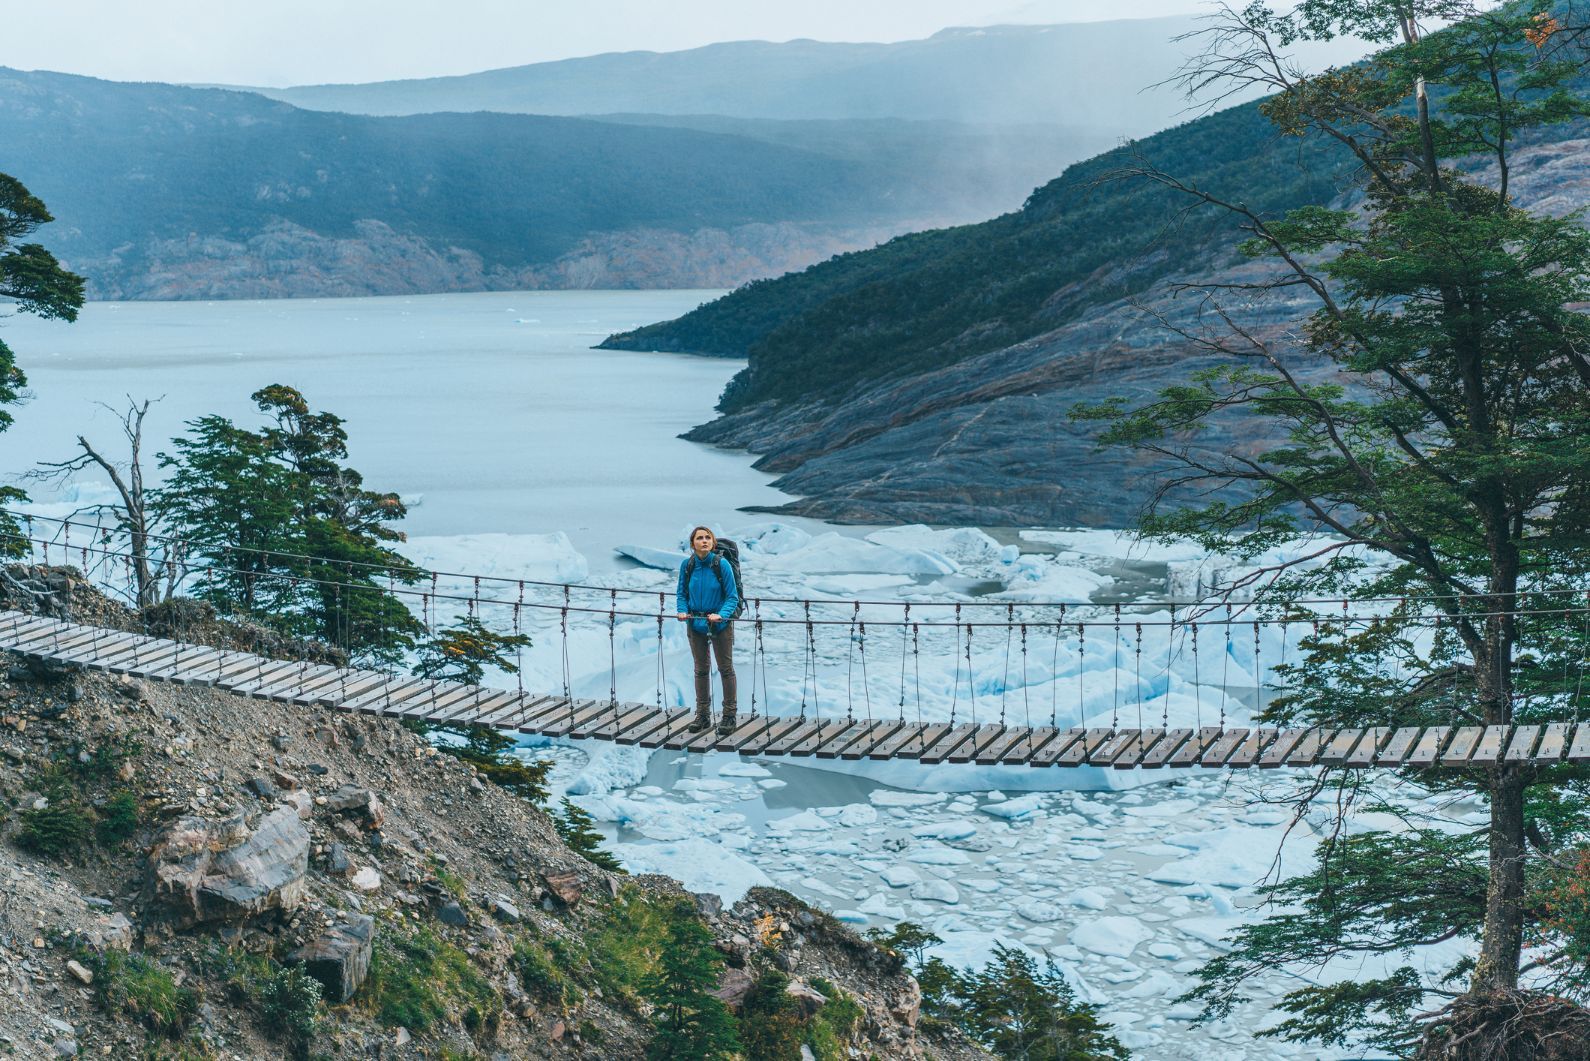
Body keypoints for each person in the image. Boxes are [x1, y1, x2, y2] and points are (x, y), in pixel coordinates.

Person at [676, 525, 739, 734]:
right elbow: (681, 594)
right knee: (701, 670)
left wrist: (722, 614)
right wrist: (682, 611)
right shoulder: (688, 565)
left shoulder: (722, 565)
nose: (704, 541)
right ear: (693, 543)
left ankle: (729, 717)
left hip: (719, 623)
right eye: (699, 538)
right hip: (695, 623)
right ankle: (702, 716)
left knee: (725, 669)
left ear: (712, 542)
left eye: (707, 538)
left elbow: (732, 596)